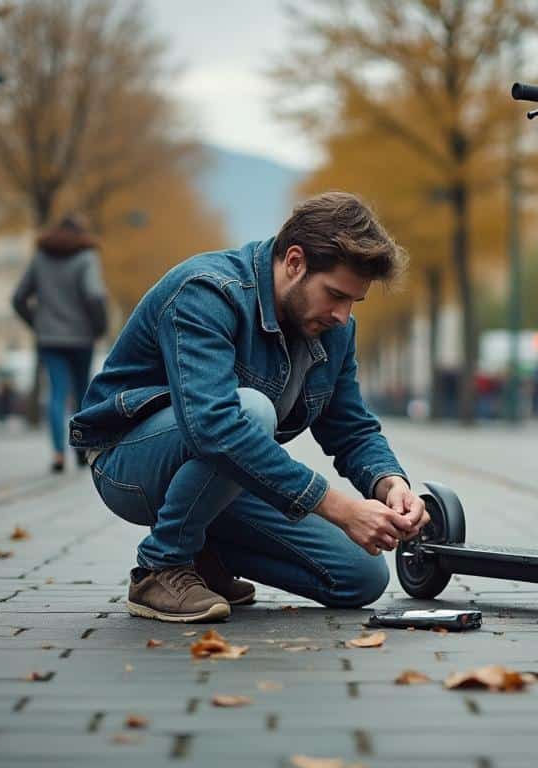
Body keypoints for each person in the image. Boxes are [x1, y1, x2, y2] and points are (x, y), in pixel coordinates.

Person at [71, 192, 429, 623]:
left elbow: (351, 427)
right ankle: (160, 567)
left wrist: (390, 485)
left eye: (354, 301)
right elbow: (213, 427)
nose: (342, 314)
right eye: (335, 294)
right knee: (251, 410)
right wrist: (340, 508)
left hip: (227, 477)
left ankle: (205, 556)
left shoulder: (335, 329)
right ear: (295, 262)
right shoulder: (206, 291)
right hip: (128, 465)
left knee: (361, 577)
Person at [12, 214, 108, 474]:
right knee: (80, 395)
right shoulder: (87, 257)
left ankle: (57, 453)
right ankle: (79, 450)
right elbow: (94, 294)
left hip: (50, 338)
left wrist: (37, 323)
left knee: (56, 393)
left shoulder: (41, 258)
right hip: (81, 337)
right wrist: (99, 326)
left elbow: (18, 298)